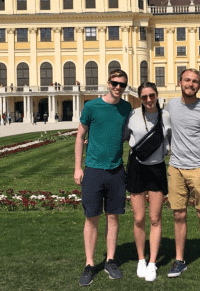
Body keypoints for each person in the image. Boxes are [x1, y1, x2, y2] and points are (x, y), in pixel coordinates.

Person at [74, 69, 132, 287]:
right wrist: (77, 167)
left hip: (117, 170)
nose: (118, 87)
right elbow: (80, 136)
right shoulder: (91, 106)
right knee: (91, 217)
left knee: (113, 217)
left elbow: (131, 133)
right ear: (108, 83)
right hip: (94, 170)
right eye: (115, 83)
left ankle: (110, 260)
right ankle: (90, 264)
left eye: (122, 85)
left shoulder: (127, 108)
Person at [164, 69, 200, 280]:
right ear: (180, 82)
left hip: (198, 169)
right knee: (178, 215)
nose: (191, 84)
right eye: (187, 80)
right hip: (176, 168)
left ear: (199, 85)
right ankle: (179, 260)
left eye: (195, 81)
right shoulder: (170, 106)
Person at [123, 82, 171, 282]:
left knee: (155, 219)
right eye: (145, 97)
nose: (149, 100)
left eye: (152, 96)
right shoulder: (132, 115)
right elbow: (124, 138)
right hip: (137, 167)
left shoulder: (166, 116)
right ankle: (141, 259)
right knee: (138, 218)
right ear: (140, 98)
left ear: (157, 95)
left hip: (157, 167)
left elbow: (171, 142)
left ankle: (152, 263)